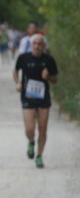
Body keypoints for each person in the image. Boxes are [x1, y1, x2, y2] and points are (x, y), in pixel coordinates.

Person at [13, 34, 58, 168]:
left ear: (44, 46)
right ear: (31, 45)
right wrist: (17, 83)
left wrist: (48, 76)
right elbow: (15, 72)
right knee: (30, 128)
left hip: (43, 97)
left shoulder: (49, 60)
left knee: (43, 129)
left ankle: (39, 156)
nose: (37, 46)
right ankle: (31, 141)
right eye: (35, 44)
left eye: (40, 44)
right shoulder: (23, 58)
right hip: (28, 96)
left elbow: (55, 80)